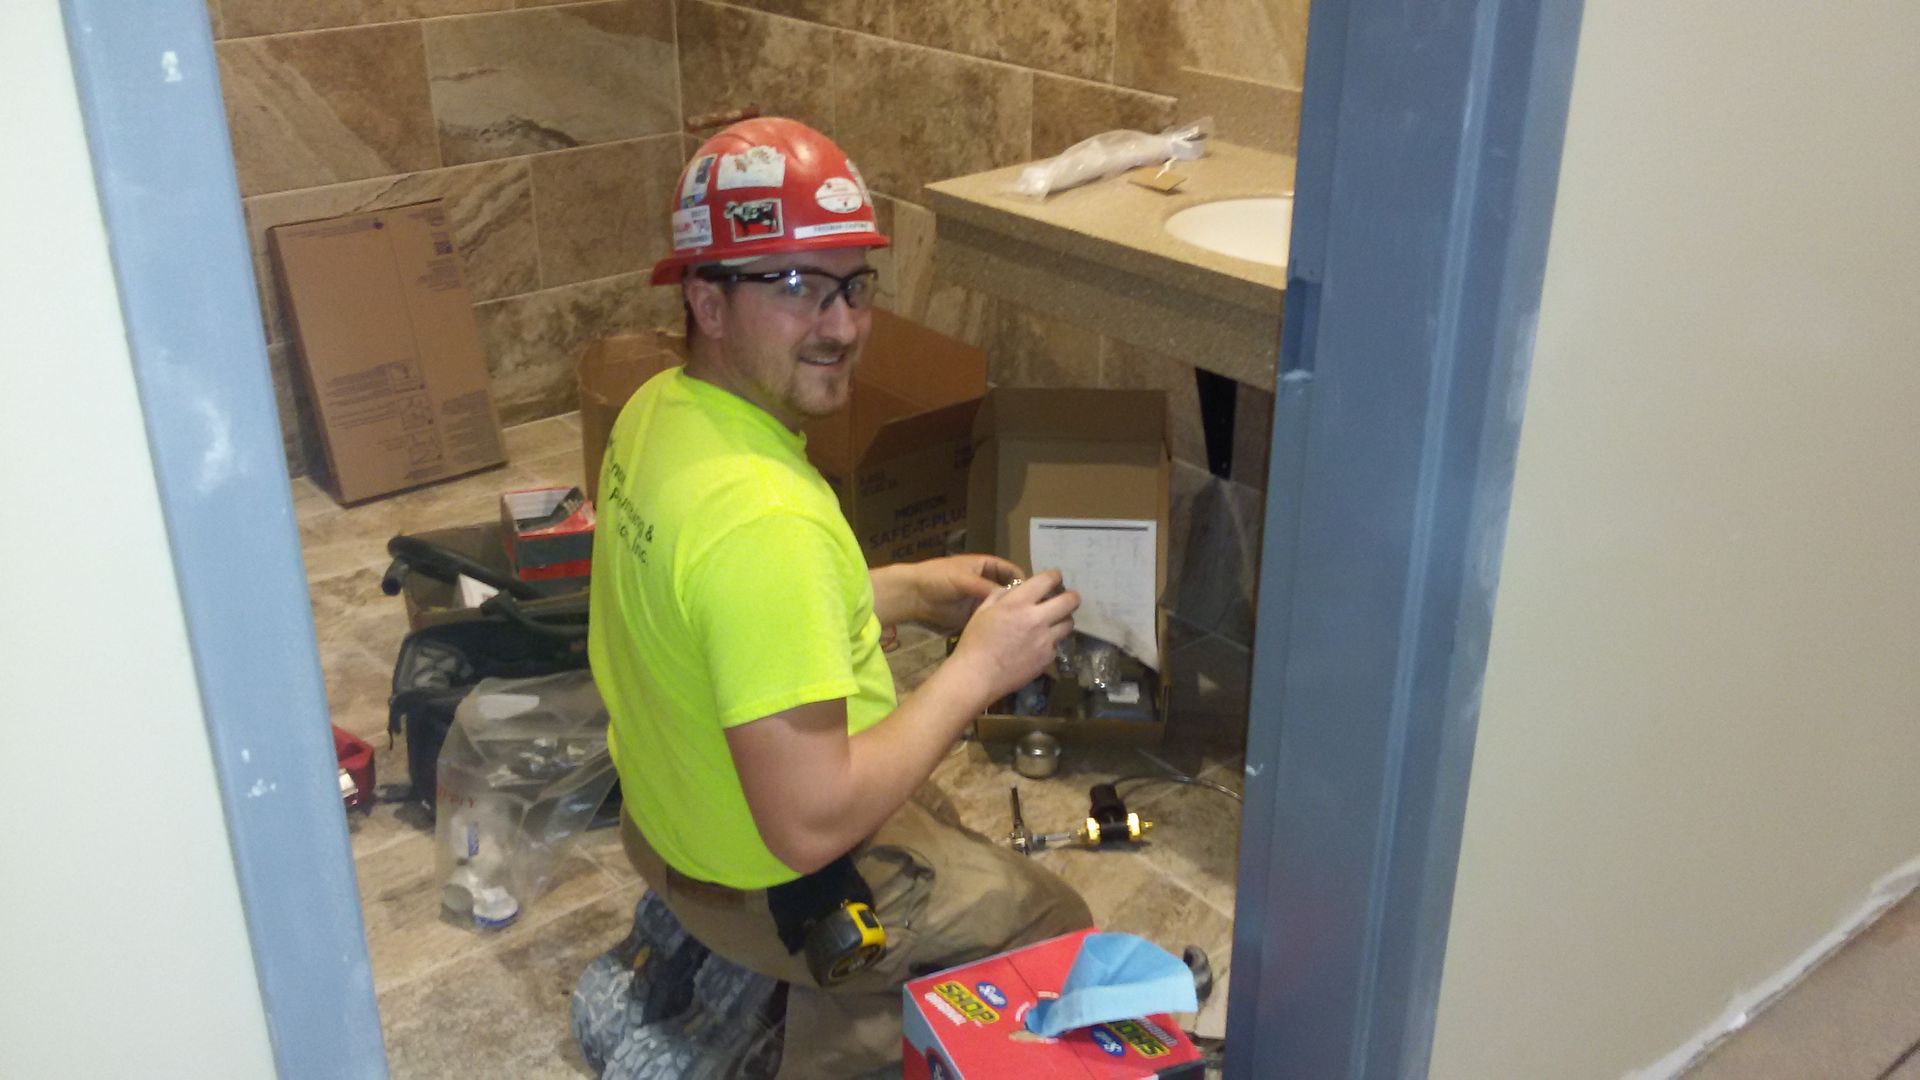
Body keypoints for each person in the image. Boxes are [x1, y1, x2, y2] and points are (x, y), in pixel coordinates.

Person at [586, 117, 1095, 1078]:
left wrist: (905, 588)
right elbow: (810, 825)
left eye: (854, 284)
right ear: (706, 300)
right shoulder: (766, 519)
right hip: (760, 877)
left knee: (929, 807)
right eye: (793, 285)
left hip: (664, 822)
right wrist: (978, 669)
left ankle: (752, 977)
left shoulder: (660, 412)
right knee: (1051, 924)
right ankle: (818, 1032)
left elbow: (717, 614)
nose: (842, 325)